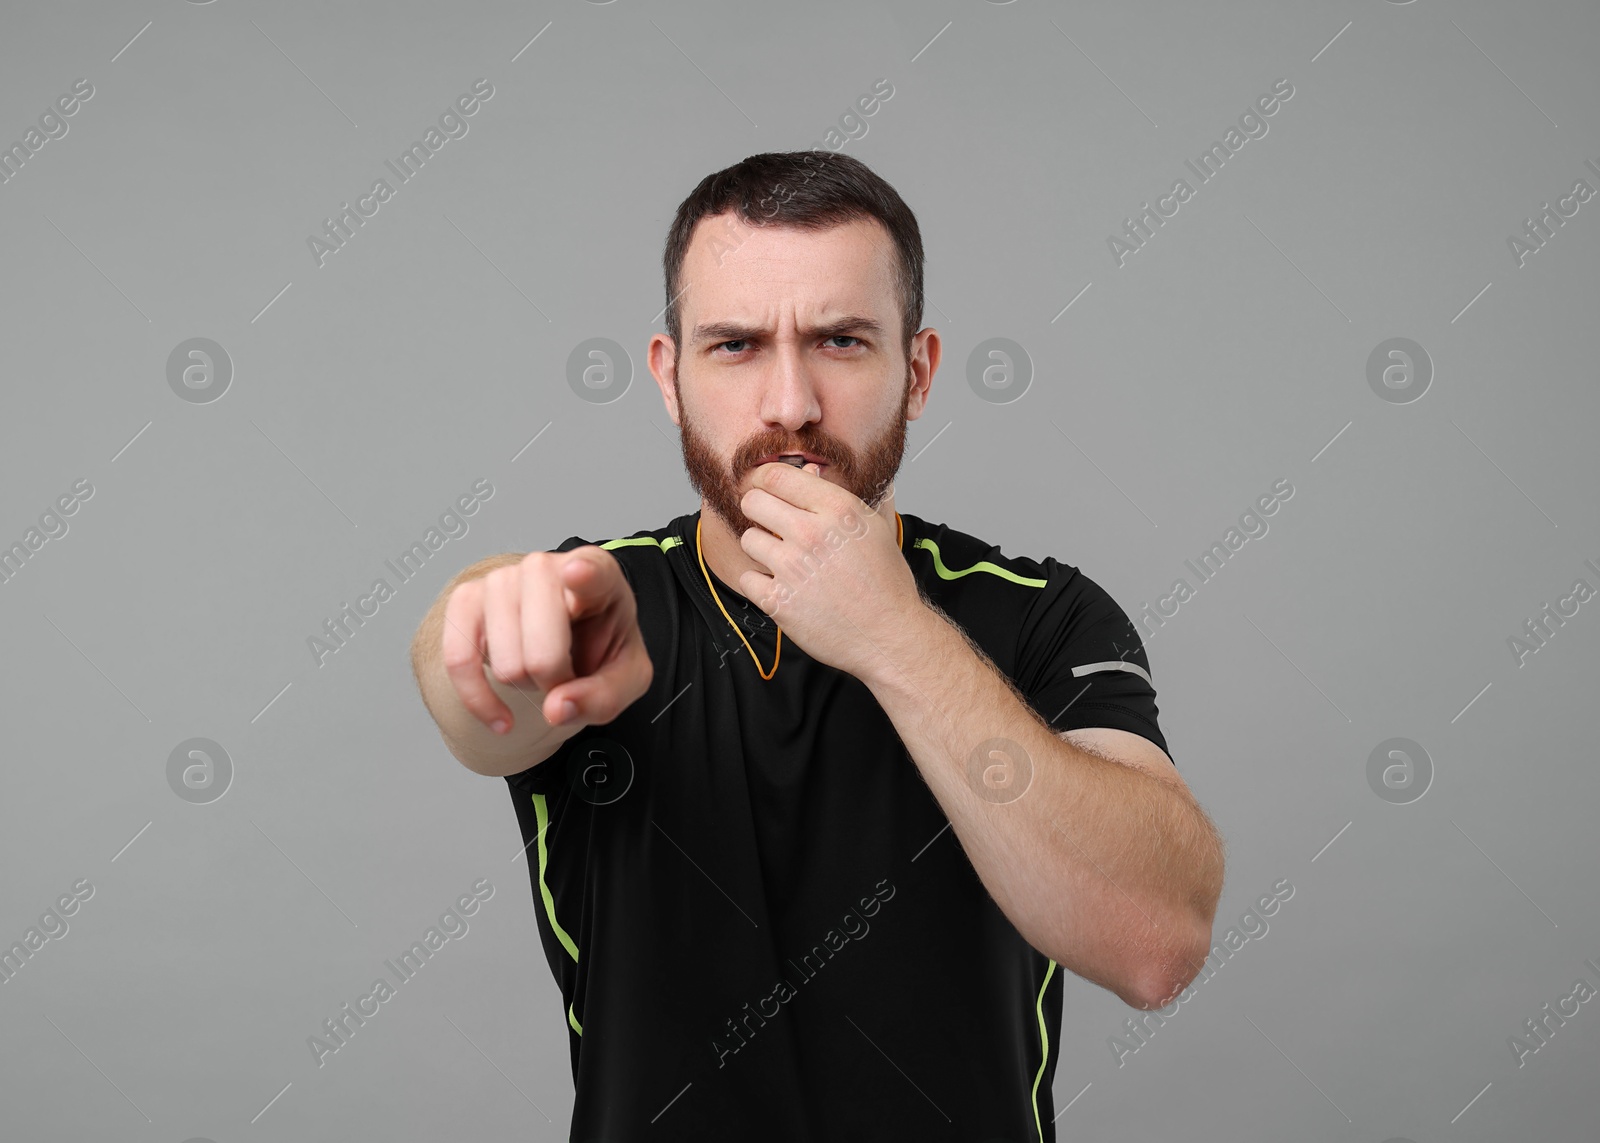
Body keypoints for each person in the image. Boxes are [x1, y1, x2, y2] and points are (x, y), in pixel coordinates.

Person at [410, 150, 1224, 1143]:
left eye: (839, 341)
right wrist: (490, 616)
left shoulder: (1040, 617)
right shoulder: (602, 609)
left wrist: (890, 634)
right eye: (736, 346)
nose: (789, 402)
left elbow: (1155, 943)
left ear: (915, 372)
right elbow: (475, 688)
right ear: (669, 379)